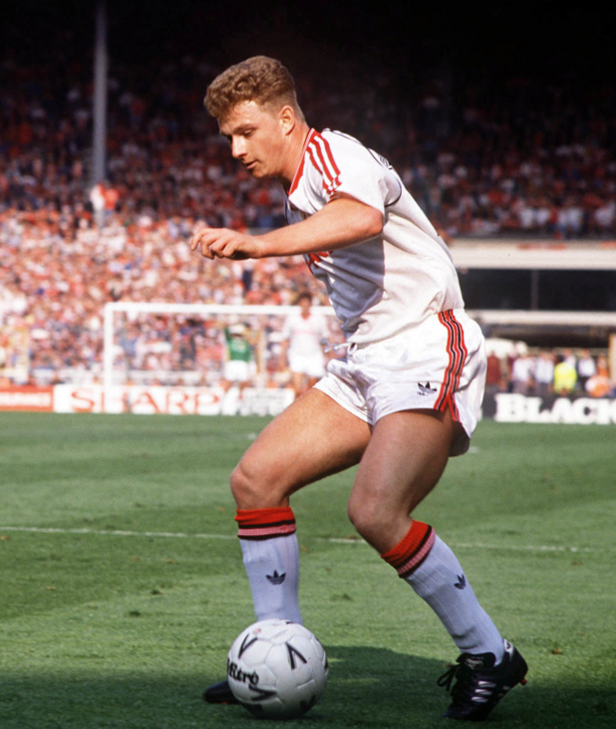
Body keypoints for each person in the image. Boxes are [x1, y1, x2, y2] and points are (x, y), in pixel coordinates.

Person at [190, 56, 526, 721]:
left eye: (245, 131)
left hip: (426, 343)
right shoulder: (299, 184)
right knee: (256, 479)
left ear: (285, 119)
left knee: (375, 512)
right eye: (227, 136)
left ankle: (490, 654)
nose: (235, 149)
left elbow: (364, 216)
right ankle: (272, 649)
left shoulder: (334, 152)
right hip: (366, 360)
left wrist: (258, 246)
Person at [277, 292, 327, 396]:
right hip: (297, 355)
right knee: (297, 389)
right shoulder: (292, 318)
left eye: (307, 303)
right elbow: (285, 338)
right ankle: (297, 411)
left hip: (314, 355)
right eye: (302, 303)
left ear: (310, 304)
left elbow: (326, 338)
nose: (304, 306)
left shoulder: (319, 319)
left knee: (312, 388)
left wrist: (329, 354)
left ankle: (309, 411)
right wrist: (282, 356)